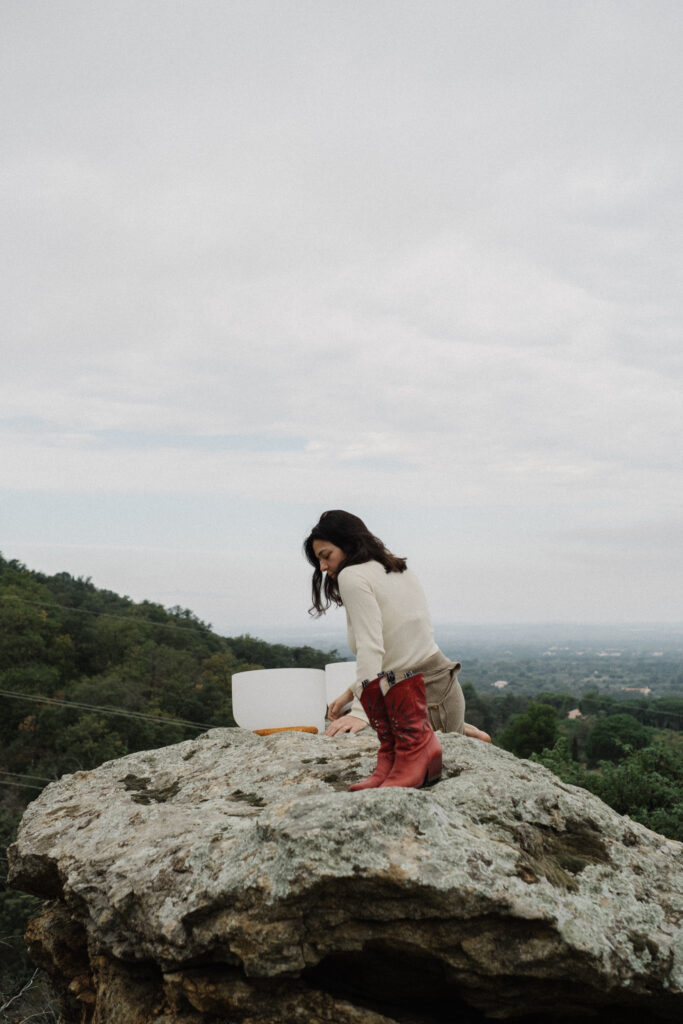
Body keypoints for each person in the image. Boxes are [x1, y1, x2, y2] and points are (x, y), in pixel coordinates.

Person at [304, 510, 490, 791]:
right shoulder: (395, 568)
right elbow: (399, 649)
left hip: (423, 695)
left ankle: (461, 730)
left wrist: (360, 711)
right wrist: (352, 690)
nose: (322, 566)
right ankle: (461, 728)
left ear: (348, 544)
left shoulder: (352, 576)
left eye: (326, 555)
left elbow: (372, 647)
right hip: (439, 689)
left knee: (407, 749)